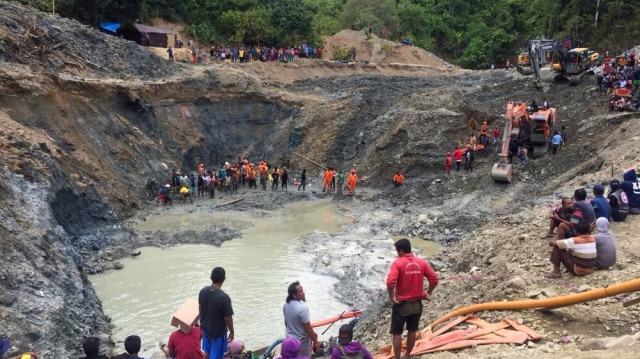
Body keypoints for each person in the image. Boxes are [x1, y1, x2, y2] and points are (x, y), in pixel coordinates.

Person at [386, 239, 438, 359]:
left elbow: (390, 282)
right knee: (412, 331)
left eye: (397, 251)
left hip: (402, 304)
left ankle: (397, 357)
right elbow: (434, 280)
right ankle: (408, 355)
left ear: (402, 250)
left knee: (397, 333)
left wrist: (391, 297)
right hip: (416, 305)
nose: (397, 253)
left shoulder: (398, 263)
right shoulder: (421, 262)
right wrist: (428, 293)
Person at [199, 267, 234, 359]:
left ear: (211, 278)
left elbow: (200, 308)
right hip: (217, 333)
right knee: (216, 356)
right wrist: (232, 332)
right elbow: (227, 319)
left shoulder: (203, 291)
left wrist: (201, 322)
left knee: (207, 352)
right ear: (223, 279)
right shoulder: (224, 298)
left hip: (205, 328)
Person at [283, 281, 318, 357]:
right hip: (301, 343)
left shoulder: (286, 305)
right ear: (295, 295)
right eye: (301, 291)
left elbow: (286, 323)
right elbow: (308, 328)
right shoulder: (303, 308)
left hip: (288, 341)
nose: (303, 292)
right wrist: (316, 342)